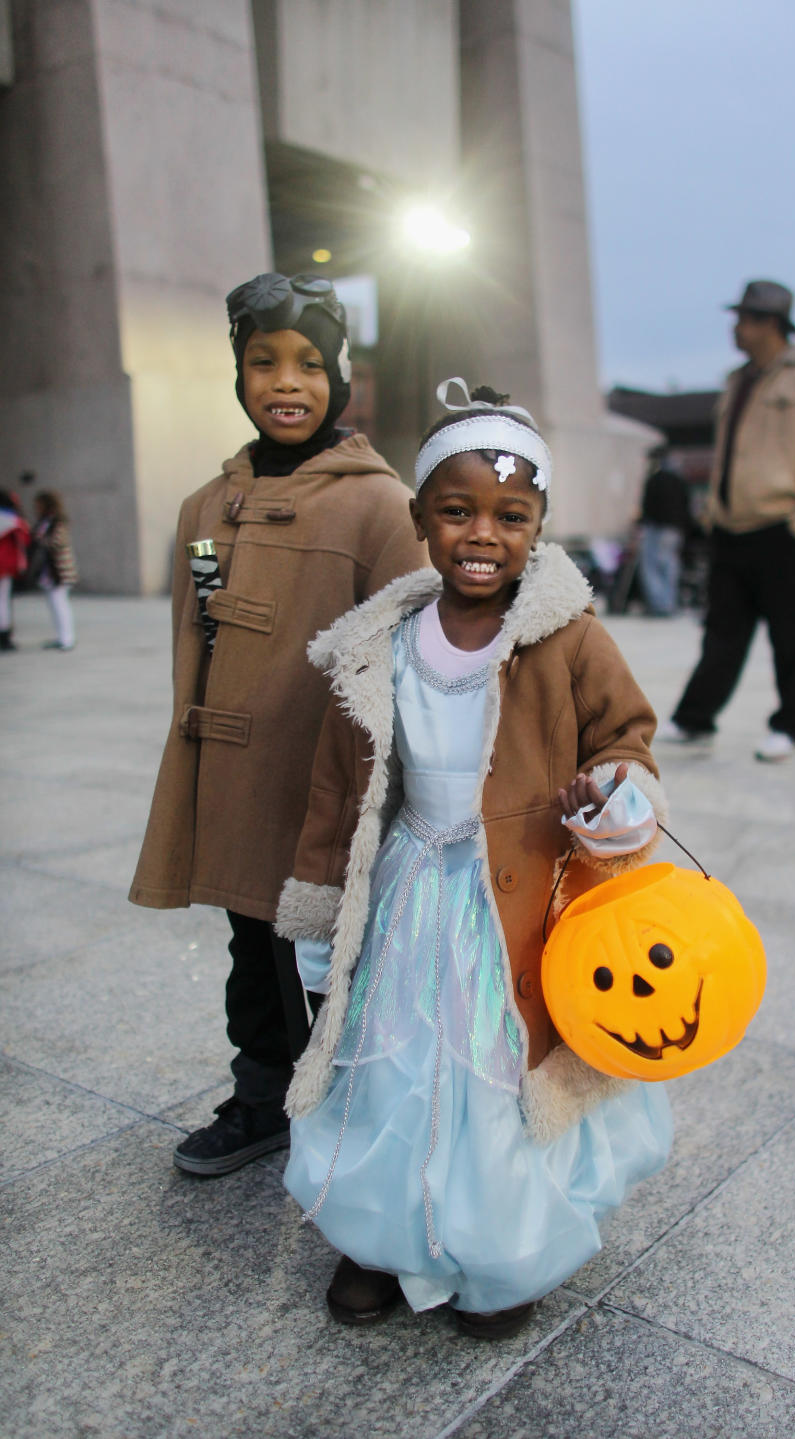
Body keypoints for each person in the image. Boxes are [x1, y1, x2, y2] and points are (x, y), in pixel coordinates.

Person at [276, 379, 673, 1339]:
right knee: (391, 1074)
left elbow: (627, 738)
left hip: (515, 906)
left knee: (497, 1083)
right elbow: (341, 794)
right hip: (412, 891)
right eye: (456, 511)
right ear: (420, 517)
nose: (481, 534)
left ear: (540, 525)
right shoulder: (380, 646)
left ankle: (501, 1247)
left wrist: (611, 790)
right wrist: (325, 923)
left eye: (510, 515)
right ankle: (381, 1241)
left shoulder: (566, 637)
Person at [129, 273, 426, 1177]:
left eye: (307, 363)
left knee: (330, 950)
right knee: (248, 947)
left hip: (320, 783)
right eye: (262, 362)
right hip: (232, 772)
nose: (284, 382)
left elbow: (411, 651)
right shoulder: (205, 506)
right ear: (238, 374)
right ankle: (262, 1094)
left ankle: (358, 1100)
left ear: (342, 374)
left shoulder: (379, 504)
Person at [659, 280, 795, 761]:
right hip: (732, 530)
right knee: (721, 633)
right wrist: (713, 514)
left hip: (783, 530)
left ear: (771, 324)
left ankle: (789, 725)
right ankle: (696, 718)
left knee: (789, 636)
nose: (736, 329)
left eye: (744, 319)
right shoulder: (737, 380)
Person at [639, 446, 691, 616]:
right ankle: (669, 603)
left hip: (657, 527)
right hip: (675, 529)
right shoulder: (679, 480)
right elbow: (686, 506)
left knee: (652, 567)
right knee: (670, 566)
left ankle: (659, 605)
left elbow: (647, 505)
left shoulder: (654, 479)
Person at [31, 490, 79, 651]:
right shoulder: (45, 521)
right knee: (54, 604)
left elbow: (57, 541)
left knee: (60, 603)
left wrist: (40, 539)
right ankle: (61, 637)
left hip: (60, 569)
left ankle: (67, 639)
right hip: (49, 570)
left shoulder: (59, 521)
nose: (36, 508)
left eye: (39, 504)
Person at [0, 490, 31, 651]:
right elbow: (26, 538)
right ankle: (4, 636)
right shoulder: (14, 520)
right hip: (5, 566)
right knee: (3, 600)